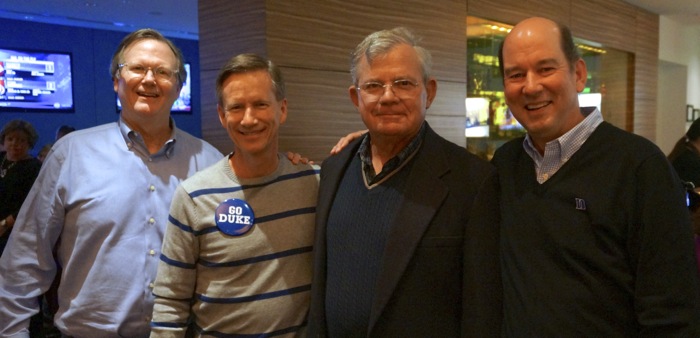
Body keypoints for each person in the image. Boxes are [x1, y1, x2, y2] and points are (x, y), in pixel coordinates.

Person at [0, 28, 222, 337]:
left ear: (178, 86)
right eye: (137, 68)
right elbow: (25, 258)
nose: (149, 79)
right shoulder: (71, 155)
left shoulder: (211, 162)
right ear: (116, 80)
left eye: (162, 71)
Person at [491, 17, 700, 335]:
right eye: (515, 74)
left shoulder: (640, 166)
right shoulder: (505, 164)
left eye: (546, 69)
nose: (531, 86)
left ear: (578, 74)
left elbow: (671, 310)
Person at [307, 27, 501, 337]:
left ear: (430, 92)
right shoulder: (333, 169)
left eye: (403, 83)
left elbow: (482, 308)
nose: (388, 96)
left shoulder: (473, 181)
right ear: (356, 97)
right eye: (373, 85)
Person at [150, 54, 320, 337]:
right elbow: (171, 301)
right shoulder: (193, 196)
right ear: (222, 115)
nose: (249, 119)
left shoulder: (315, 183)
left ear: (283, 109)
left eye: (261, 104)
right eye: (237, 107)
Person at [0, 119, 42, 255]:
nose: (14, 144)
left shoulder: (34, 167)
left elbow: (32, 203)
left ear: (29, 143)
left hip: (13, 229)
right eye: (10, 139)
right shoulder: (1, 159)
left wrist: (5, 224)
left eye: (21, 140)